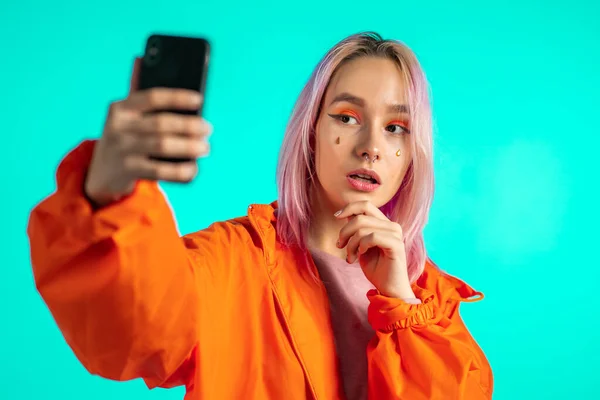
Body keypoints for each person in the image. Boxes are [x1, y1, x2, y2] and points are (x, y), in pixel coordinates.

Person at [27, 32, 493, 399]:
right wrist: (104, 198)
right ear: (310, 131)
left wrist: (399, 302)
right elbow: (131, 332)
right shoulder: (231, 263)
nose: (371, 145)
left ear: (413, 153)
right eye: (347, 117)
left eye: (396, 127)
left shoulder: (427, 298)